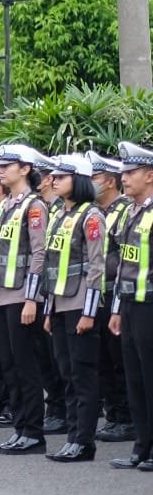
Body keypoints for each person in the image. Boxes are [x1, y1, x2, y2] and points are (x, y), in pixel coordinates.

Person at [0, 144, 53, 454]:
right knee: (9, 364)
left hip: (21, 298)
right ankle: (19, 427)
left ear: (25, 169)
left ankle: (33, 432)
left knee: (25, 365)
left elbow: (39, 254)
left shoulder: (35, 206)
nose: (0, 169)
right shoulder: (4, 206)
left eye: (7, 165)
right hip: (0, 296)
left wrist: (31, 299)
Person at [41, 155, 106, 463]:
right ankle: (72, 437)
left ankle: (84, 441)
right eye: (53, 176)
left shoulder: (91, 215)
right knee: (67, 373)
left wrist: (89, 313)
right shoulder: (59, 215)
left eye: (61, 177)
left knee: (82, 375)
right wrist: (49, 311)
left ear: (78, 180)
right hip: (60, 304)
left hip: (81, 304)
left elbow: (97, 266)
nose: (54, 180)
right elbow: (52, 266)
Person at [108, 141, 153, 471]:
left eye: (132, 172)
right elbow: (125, 263)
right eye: (123, 172)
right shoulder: (132, 211)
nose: (125, 178)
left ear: (150, 175)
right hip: (130, 305)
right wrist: (116, 309)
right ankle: (142, 446)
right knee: (135, 379)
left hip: (151, 305)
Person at [89, 150, 136, 444]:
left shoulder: (124, 210)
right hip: (97, 295)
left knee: (119, 360)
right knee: (102, 359)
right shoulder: (95, 211)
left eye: (94, 177)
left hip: (116, 293)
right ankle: (115, 414)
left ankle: (126, 417)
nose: (89, 182)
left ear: (108, 181)